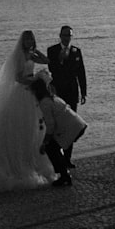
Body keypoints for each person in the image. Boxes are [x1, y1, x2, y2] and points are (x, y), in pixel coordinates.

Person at [0, 30, 55, 191]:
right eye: (27, 39)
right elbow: (18, 78)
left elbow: (46, 60)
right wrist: (35, 78)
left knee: (33, 128)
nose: (29, 41)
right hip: (22, 92)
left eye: (31, 39)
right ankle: (15, 163)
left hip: (31, 93)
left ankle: (32, 160)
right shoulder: (19, 56)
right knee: (20, 127)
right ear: (22, 41)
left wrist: (35, 51)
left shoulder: (31, 54)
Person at [30, 77, 87, 187]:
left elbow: (51, 126)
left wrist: (45, 142)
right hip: (77, 124)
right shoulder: (53, 97)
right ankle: (64, 174)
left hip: (71, 128)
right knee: (55, 147)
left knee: (51, 148)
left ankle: (65, 176)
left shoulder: (44, 103)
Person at [47, 25, 87, 167]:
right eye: (64, 35)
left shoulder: (77, 51)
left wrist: (84, 92)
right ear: (60, 36)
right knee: (57, 125)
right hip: (58, 92)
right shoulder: (52, 50)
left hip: (72, 92)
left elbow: (81, 72)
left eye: (69, 35)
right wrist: (60, 59)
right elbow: (52, 69)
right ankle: (57, 157)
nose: (66, 38)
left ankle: (67, 158)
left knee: (71, 125)